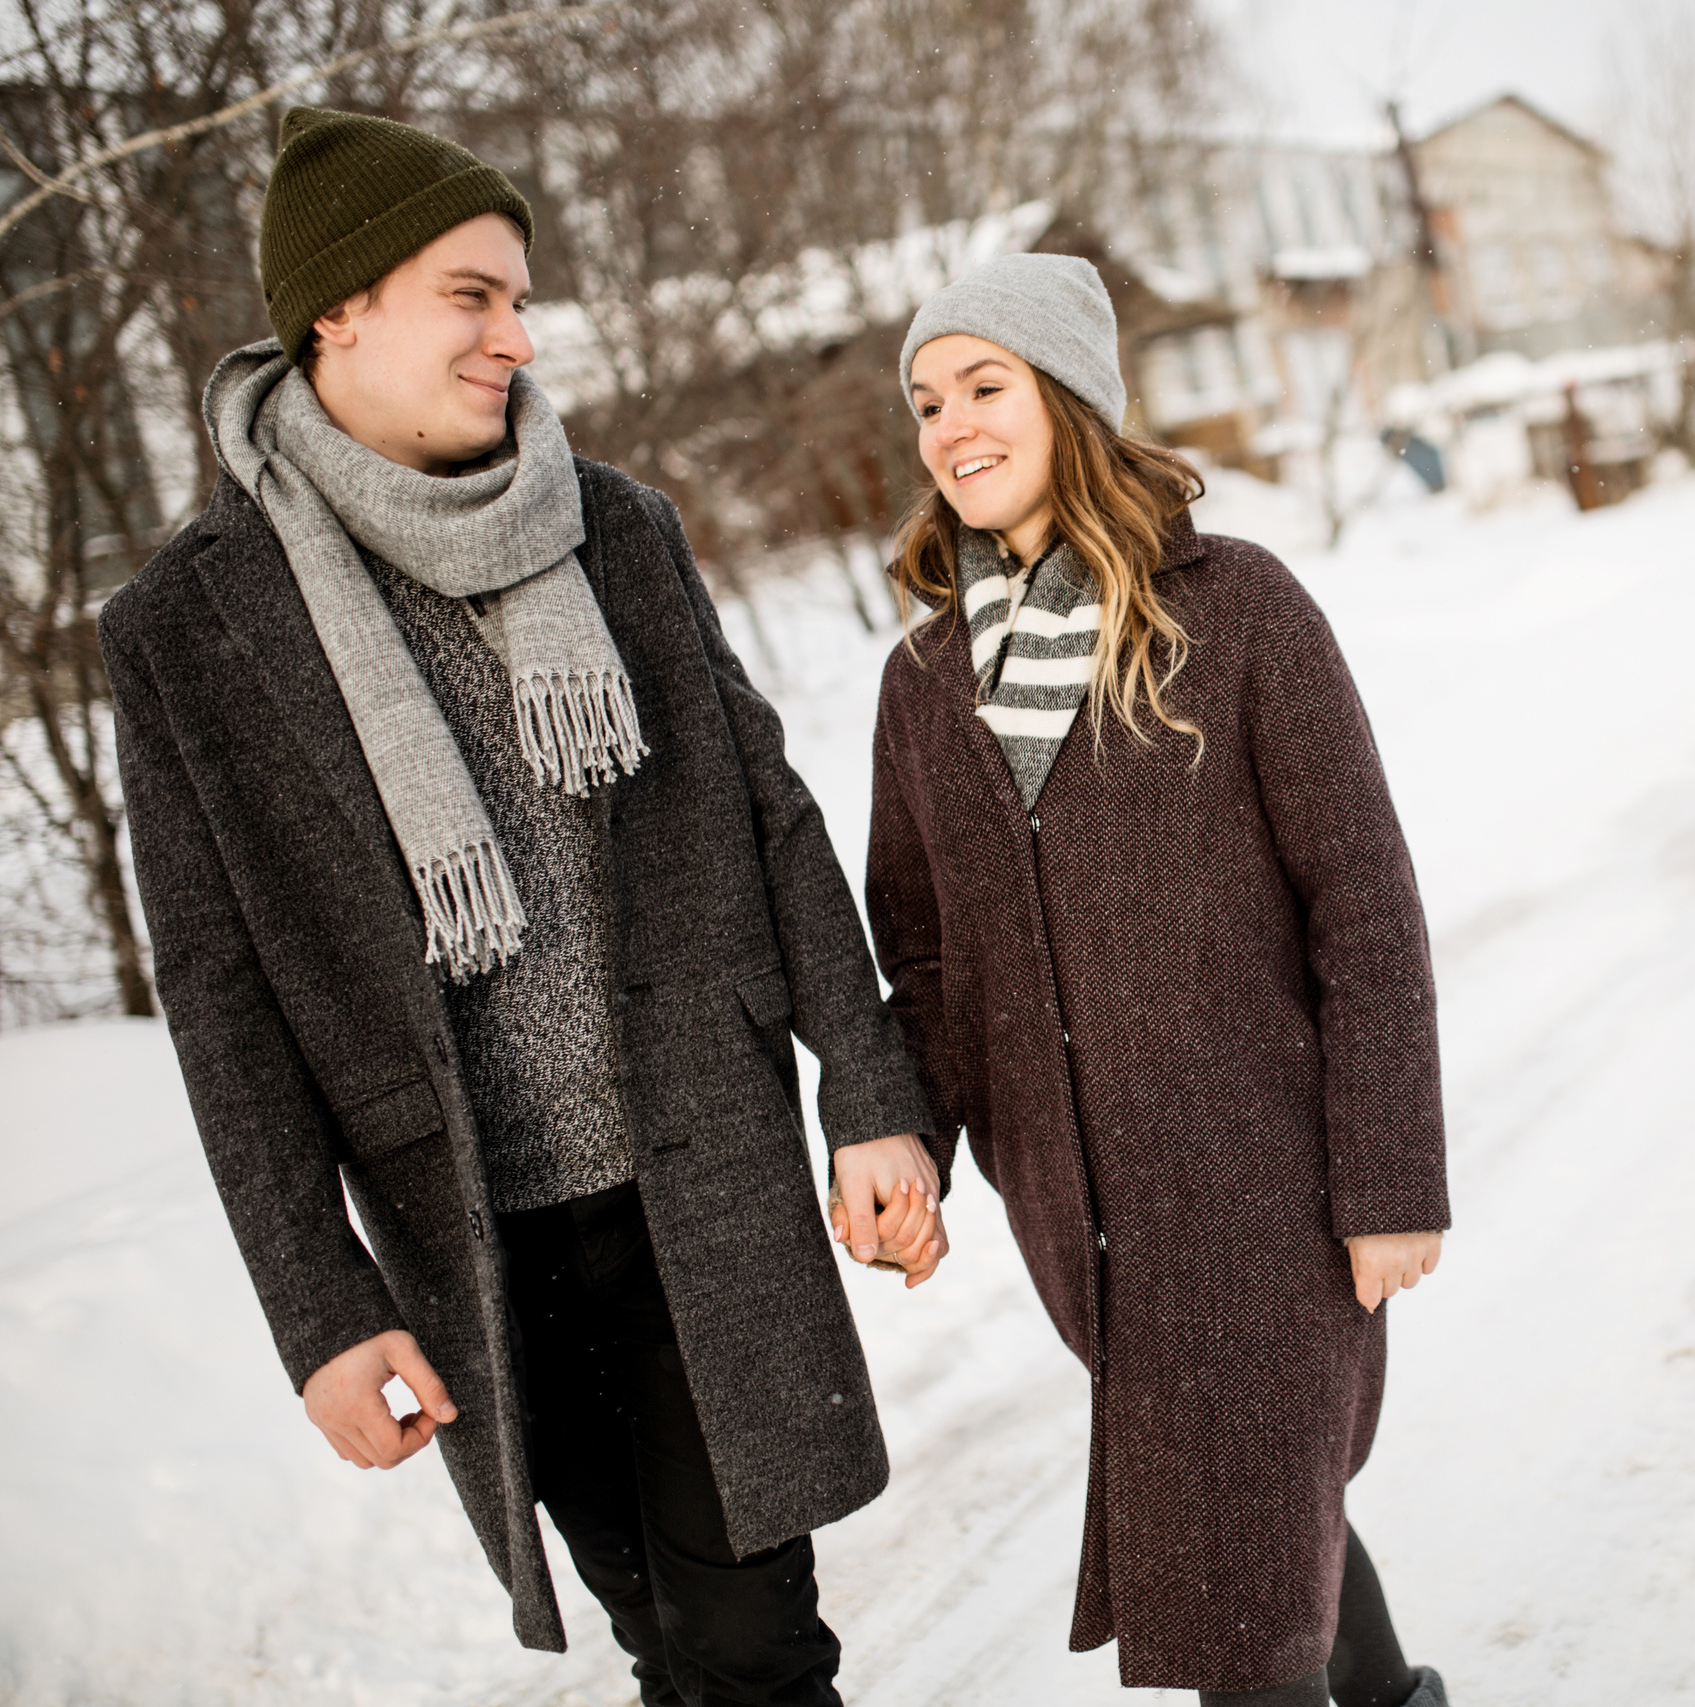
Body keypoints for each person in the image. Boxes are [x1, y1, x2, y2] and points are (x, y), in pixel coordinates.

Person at [100, 108, 944, 1706]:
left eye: (522, 298)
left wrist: (871, 1093)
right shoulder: (187, 628)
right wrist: (319, 1309)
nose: (518, 335)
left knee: (757, 1648)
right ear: (337, 310)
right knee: (665, 1645)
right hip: (473, 1230)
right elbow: (220, 997)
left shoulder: (611, 526)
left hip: (699, 1174)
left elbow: (767, 818)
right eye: (473, 295)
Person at [866, 252, 1453, 1707]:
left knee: (1233, 1600)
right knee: (1262, 1523)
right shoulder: (927, 678)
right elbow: (925, 954)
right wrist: (919, 1150)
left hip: (1269, 1189)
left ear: (1070, 399)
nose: (951, 428)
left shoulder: (1238, 608)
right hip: (1086, 1222)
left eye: (985, 387)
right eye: (928, 402)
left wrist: (1390, 1180)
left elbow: (1365, 908)